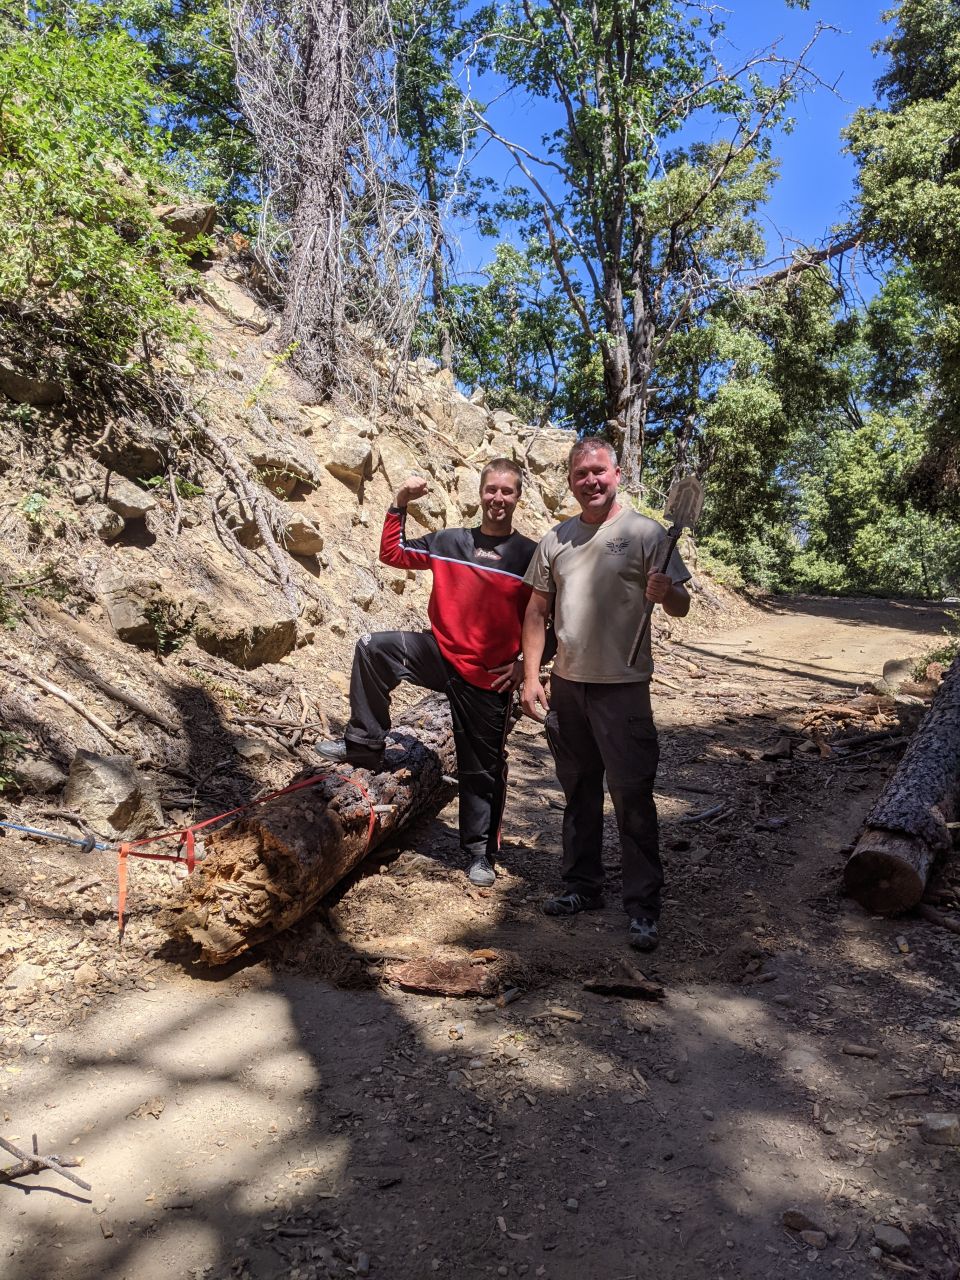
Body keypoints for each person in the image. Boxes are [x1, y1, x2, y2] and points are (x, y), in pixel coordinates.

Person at [318, 460, 538, 887]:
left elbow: (549, 617)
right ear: (480, 492)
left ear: (517, 497)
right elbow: (393, 554)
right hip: (438, 652)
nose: (498, 498)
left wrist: (525, 666)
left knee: (483, 768)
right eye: (491, 489)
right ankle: (364, 746)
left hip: (488, 675)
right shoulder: (449, 541)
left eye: (507, 491)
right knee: (372, 648)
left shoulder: (529, 556)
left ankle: (480, 853)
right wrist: (400, 501)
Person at [520, 439, 691, 952]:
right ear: (570, 481)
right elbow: (536, 612)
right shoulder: (556, 539)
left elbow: (681, 604)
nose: (590, 481)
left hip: (623, 689)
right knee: (579, 793)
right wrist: (532, 677)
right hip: (568, 687)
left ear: (617, 474)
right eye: (580, 474)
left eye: (598, 471)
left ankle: (643, 909)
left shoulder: (647, 533)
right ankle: (582, 887)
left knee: (632, 796)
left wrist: (667, 592)